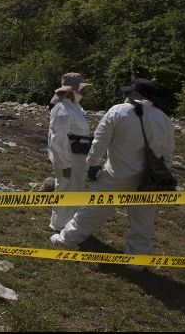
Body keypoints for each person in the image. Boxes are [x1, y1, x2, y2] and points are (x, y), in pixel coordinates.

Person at [50, 78, 176, 271]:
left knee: (92, 212)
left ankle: (66, 240)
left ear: (132, 95)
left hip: (117, 174)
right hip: (148, 179)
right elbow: (167, 153)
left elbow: (100, 142)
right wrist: (160, 175)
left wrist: (92, 164)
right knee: (143, 220)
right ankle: (137, 259)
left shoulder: (117, 111)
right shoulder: (164, 119)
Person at [47, 72, 93, 232]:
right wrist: (65, 163)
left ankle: (70, 225)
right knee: (65, 189)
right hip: (68, 158)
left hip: (78, 157)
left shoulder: (75, 108)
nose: (83, 93)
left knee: (75, 190)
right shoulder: (63, 109)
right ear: (72, 91)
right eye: (81, 89)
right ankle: (59, 225)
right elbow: (57, 138)